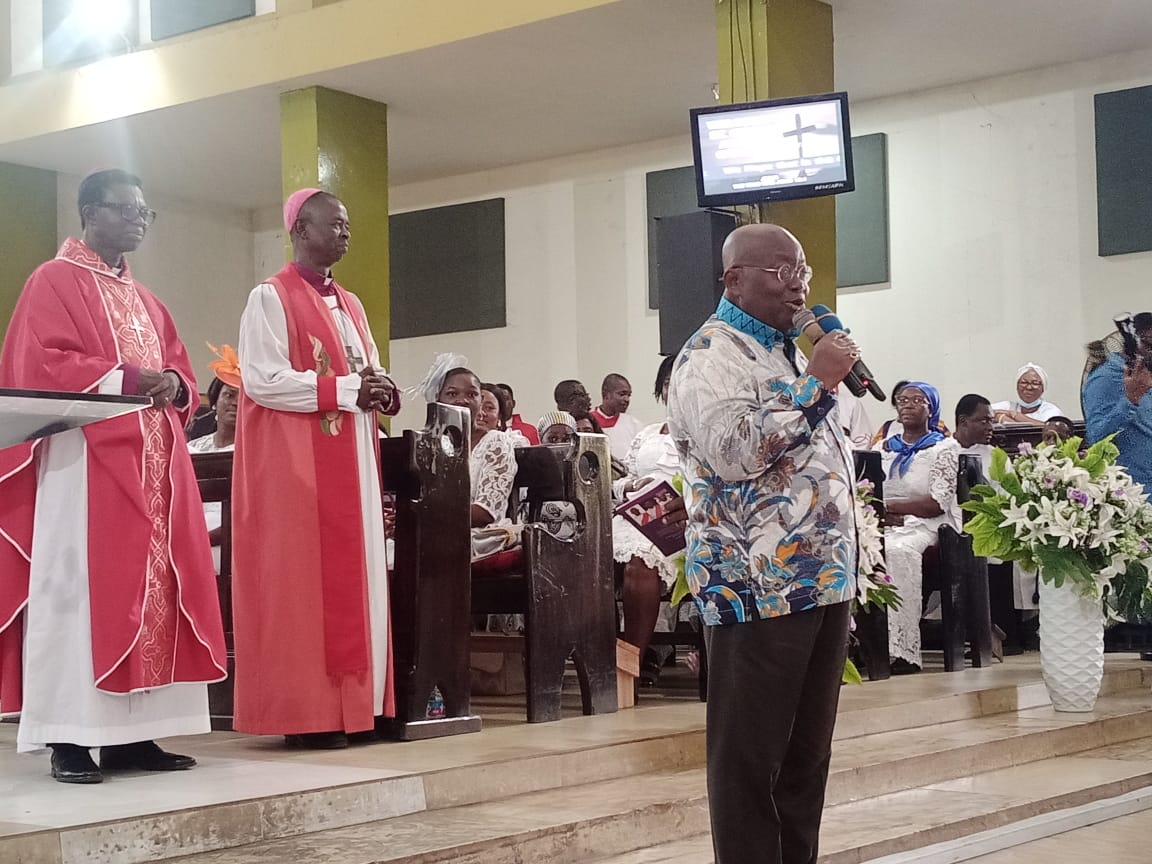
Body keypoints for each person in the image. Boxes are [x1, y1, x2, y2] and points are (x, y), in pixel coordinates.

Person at [0, 169, 226, 784]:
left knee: (155, 594)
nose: (138, 221)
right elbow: (36, 362)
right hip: (83, 467)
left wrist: (176, 385)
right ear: (89, 213)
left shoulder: (148, 299)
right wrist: (128, 379)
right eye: (126, 210)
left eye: (145, 213)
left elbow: (177, 371)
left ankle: (133, 738)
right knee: (78, 596)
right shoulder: (52, 280)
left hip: (156, 466)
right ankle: (66, 739)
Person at [667, 223, 858, 864]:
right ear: (734, 280)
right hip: (755, 585)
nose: (798, 282)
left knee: (806, 757)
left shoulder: (782, 351)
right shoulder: (708, 355)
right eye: (780, 270)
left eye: (801, 267)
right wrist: (818, 386)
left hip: (819, 581)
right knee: (750, 761)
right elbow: (734, 452)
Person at [232, 188, 400, 749]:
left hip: (353, 462)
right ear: (301, 230)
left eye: (349, 224)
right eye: (336, 224)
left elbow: (366, 367)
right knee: (303, 589)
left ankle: (359, 709)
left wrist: (381, 388)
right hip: (298, 467)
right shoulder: (269, 297)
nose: (346, 233)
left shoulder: (350, 303)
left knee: (361, 583)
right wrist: (351, 388)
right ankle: (309, 717)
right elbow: (262, 379)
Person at [880, 382, 961, 674]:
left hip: (929, 527)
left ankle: (902, 650)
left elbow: (935, 503)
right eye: (902, 399)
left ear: (932, 408)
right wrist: (881, 512)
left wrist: (889, 507)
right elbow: (868, 491)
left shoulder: (945, 447)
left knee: (897, 551)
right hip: (886, 523)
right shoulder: (884, 448)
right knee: (855, 551)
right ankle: (864, 645)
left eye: (918, 400)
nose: (908, 404)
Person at [612, 355, 683, 685]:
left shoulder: (703, 432)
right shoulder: (647, 433)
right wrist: (629, 486)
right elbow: (619, 478)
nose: (674, 389)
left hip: (679, 521)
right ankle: (591, 660)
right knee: (577, 556)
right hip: (632, 512)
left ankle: (629, 668)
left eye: (681, 380)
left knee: (639, 562)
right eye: (668, 383)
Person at [1083, 313, 1152, 493]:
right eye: (1150, 346)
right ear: (1136, 344)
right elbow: (1096, 437)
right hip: (1131, 492)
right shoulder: (1106, 376)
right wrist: (1131, 399)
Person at [188, 344, 241, 575]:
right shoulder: (190, 450)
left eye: (243, 398)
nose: (235, 403)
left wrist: (204, 540)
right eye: (229, 395)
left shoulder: (252, 456)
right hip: (187, 534)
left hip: (229, 541)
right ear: (215, 401)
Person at [591, 373, 646, 461]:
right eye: (622, 394)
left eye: (629, 395)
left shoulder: (635, 426)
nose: (627, 399)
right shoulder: (587, 424)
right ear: (606, 394)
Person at [991, 363, 1064, 425]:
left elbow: (1048, 428)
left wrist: (1011, 415)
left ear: (1043, 388)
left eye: (1035, 383)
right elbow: (984, 414)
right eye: (1024, 382)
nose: (1029, 387)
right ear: (1017, 386)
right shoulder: (1007, 405)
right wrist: (1002, 417)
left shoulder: (1051, 410)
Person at [953, 393, 994, 467]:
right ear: (963, 421)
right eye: (984, 421)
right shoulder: (938, 454)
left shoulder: (996, 457)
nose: (991, 427)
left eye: (991, 421)